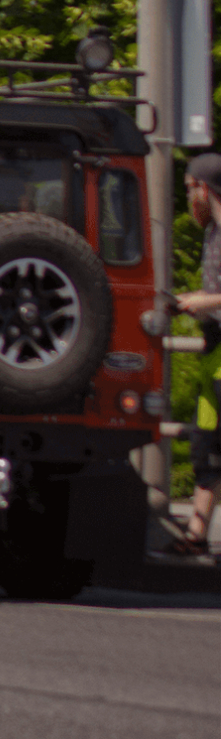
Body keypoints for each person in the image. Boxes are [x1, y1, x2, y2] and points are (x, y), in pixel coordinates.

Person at [165, 152, 221, 555]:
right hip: (214, 349)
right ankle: (196, 537)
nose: (188, 198)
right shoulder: (212, 233)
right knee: (207, 445)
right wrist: (193, 301)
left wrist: (203, 300)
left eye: (188, 188)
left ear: (204, 187)